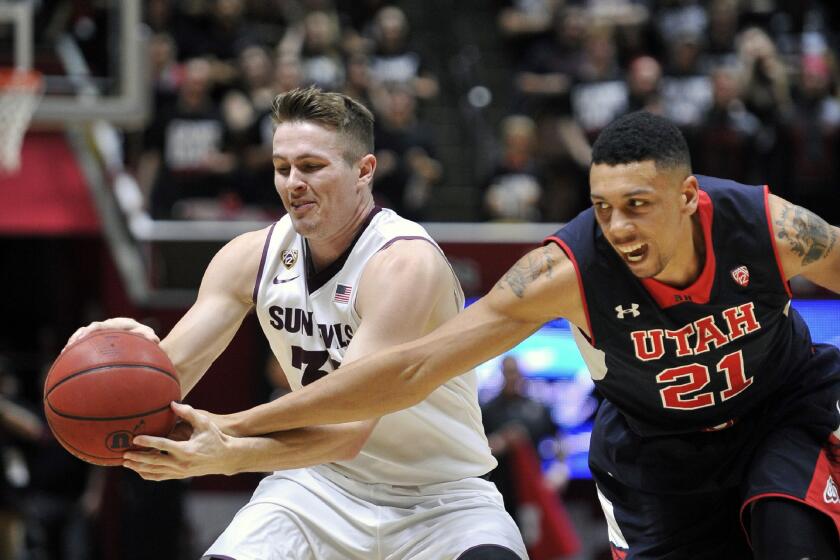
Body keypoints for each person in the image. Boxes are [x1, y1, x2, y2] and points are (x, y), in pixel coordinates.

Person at [193, 111, 840, 559]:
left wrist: (238, 435)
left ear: (689, 197)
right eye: (603, 207)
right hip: (656, 452)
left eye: (638, 206)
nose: (618, 228)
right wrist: (237, 429)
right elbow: (410, 369)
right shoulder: (566, 270)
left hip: (776, 415)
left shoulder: (766, 228)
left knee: (792, 536)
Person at [67, 87, 527, 560]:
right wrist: (122, 357)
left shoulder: (404, 261)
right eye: (281, 168)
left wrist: (229, 444)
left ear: (364, 172)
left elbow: (349, 426)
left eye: (311, 167)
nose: (292, 183)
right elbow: (165, 381)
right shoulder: (247, 257)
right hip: (317, 489)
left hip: (441, 500)